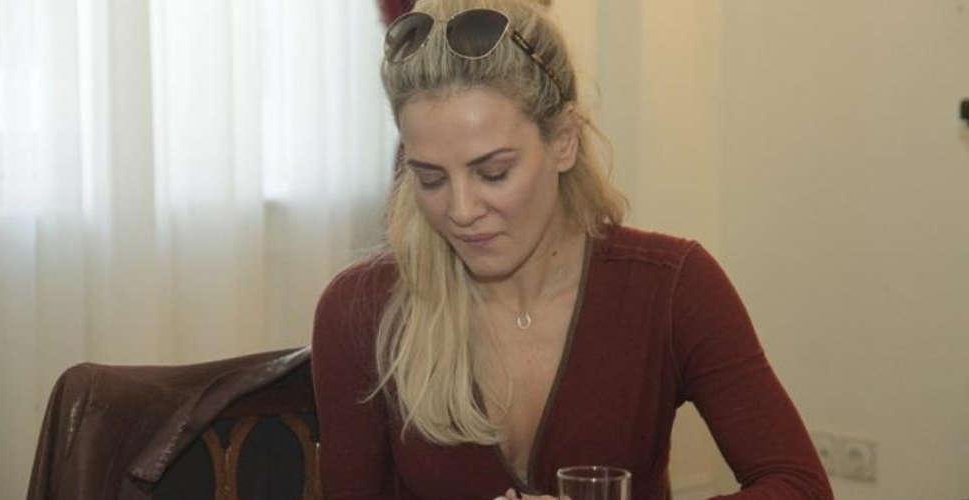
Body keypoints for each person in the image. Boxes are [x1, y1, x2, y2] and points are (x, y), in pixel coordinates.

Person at [311, 0, 833, 498]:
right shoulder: (363, 308)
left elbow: (800, 486)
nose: (462, 210)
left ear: (563, 142)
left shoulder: (671, 287)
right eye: (430, 179)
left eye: (493, 172)